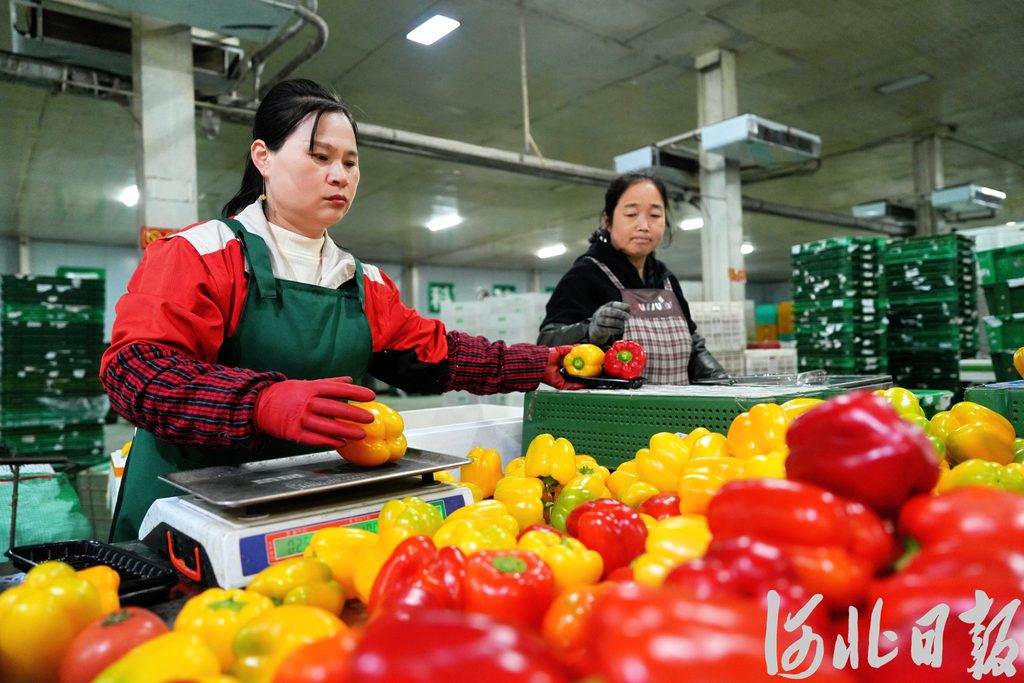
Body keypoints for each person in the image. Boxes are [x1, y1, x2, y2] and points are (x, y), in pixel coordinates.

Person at [101, 78, 575, 542]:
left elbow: (438, 356)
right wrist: (260, 403)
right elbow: (135, 372)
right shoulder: (200, 255)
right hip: (184, 518)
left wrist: (537, 364)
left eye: (350, 162)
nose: (339, 175)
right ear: (263, 157)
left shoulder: (361, 282)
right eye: (320, 156)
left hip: (303, 515)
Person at [538, 172, 728, 384]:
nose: (644, 225)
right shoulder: (585, 276)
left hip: (676, 403)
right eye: (631, 214)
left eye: (655, 215)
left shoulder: (666, 280)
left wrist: (716, 376)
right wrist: (589, 331)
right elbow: (546, 343)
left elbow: (692, 343)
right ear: (607, 221)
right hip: (613, 405)